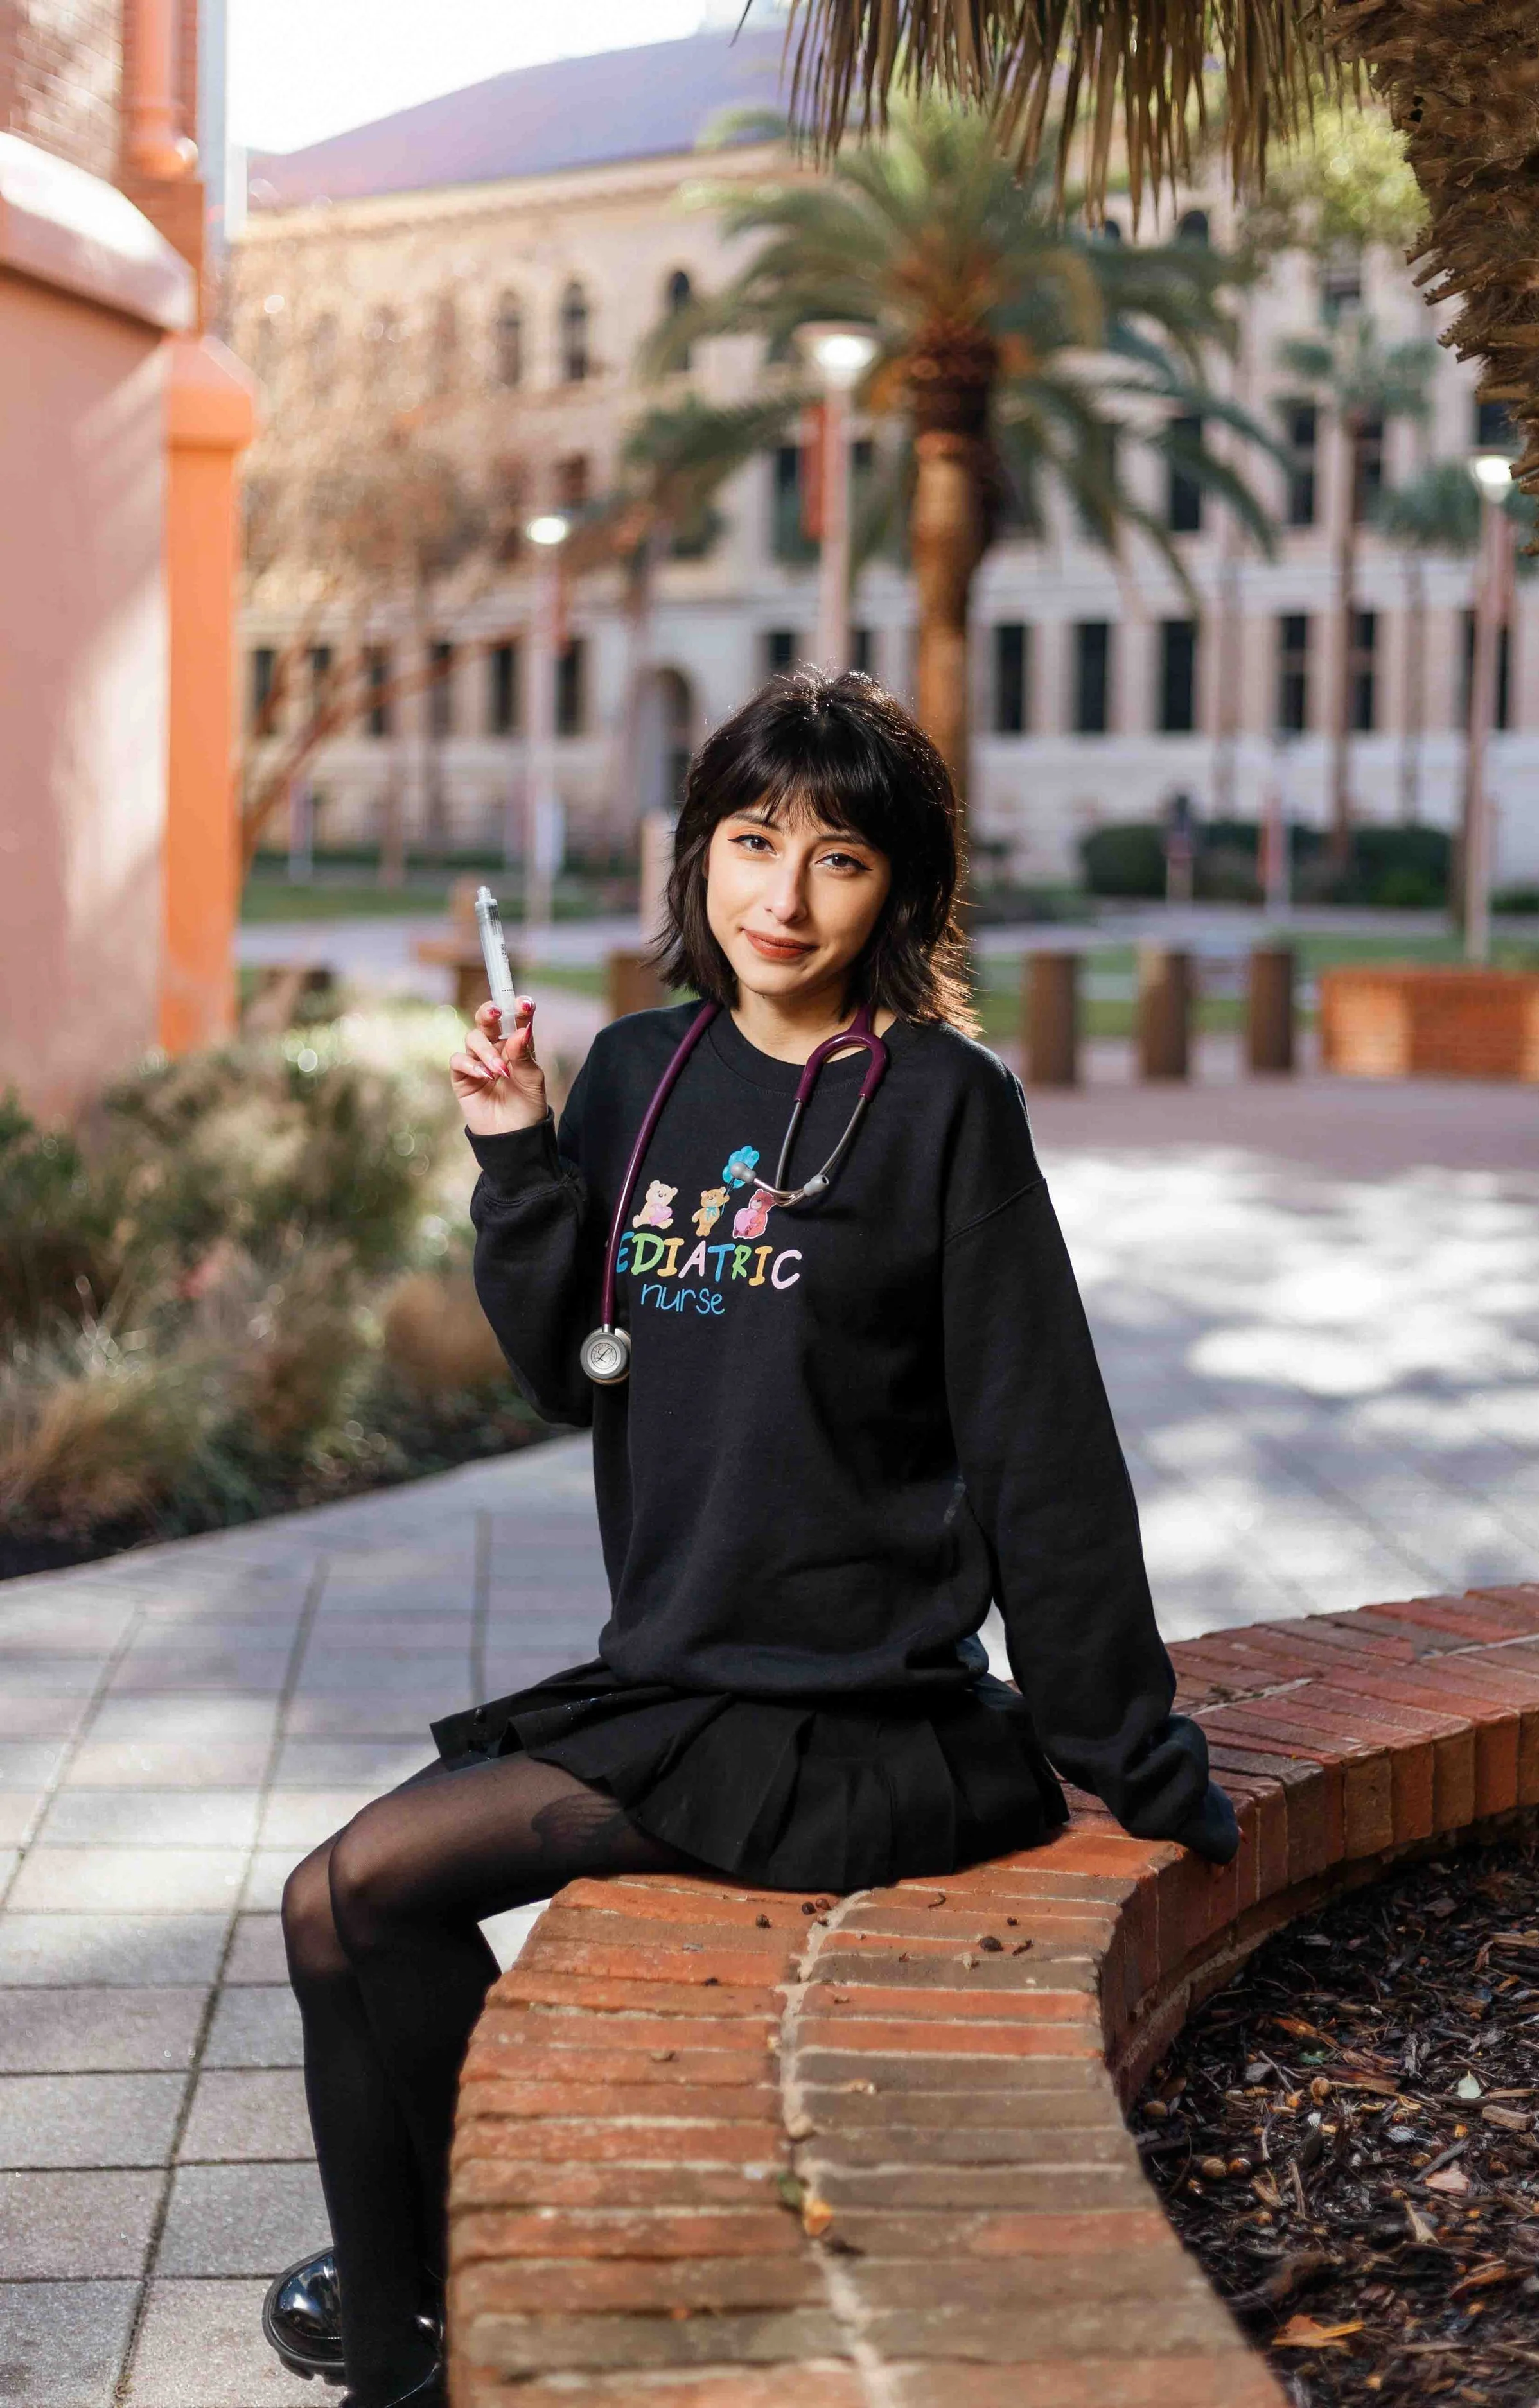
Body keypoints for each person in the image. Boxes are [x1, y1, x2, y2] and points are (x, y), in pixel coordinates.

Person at [265, 668, 1237, 2408]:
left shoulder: (944, 1107)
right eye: (749, 840)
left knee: (353, 1890)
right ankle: (424, 2291)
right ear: (696, 853)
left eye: (839, 858)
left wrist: (1130, 1748)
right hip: (682, 1672)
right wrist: (515, 1156)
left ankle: (426, 2320)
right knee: (339, 1899)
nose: (780, 899)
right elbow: (580, 1370)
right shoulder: (644, 1068)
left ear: (904, 892)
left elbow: (1042, 1447)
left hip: (848, 1714)